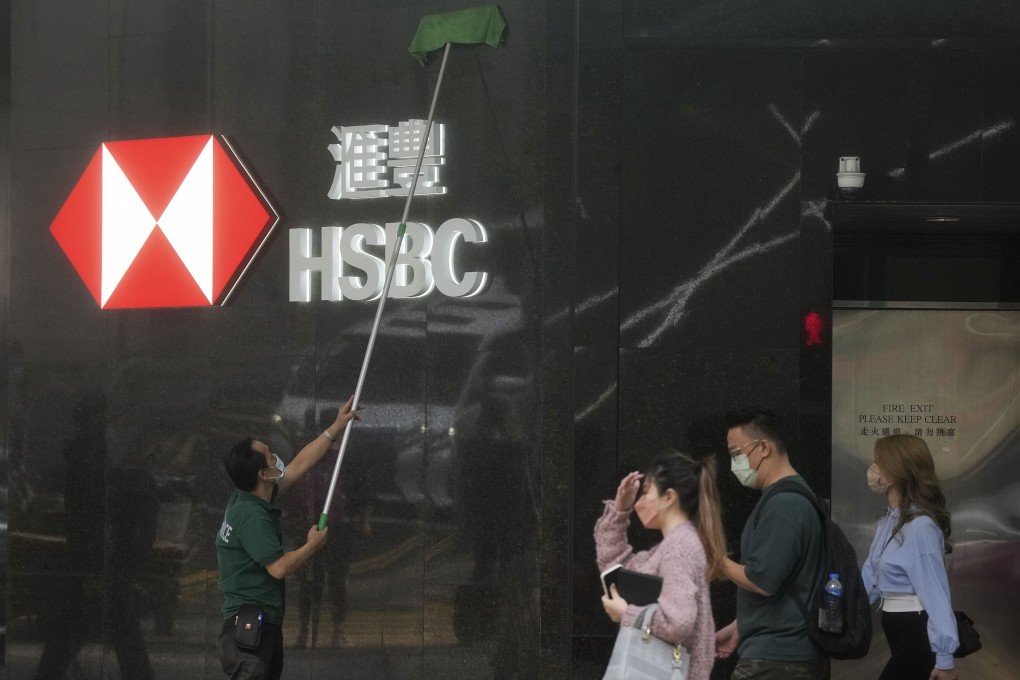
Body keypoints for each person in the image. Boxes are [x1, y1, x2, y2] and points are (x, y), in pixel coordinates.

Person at [215, 395, 358, 680]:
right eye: (270, 455)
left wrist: (335, 428)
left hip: (255, 627)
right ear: (264, 473)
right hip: (249, 635)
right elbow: (279, 567)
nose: (277, 455)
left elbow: (299, 464)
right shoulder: (253, 517)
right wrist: (312, 545)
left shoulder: (248, 496)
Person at [714, 407, 827, 680]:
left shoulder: (784, 505)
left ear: (763, 447)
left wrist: (717, 560)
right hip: (778, 654)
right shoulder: (787, 498)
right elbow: (787, 581)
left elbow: (763, 580)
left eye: (736, 453)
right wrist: (742, 626)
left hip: (777, 661)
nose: (733, 464)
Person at [595, 450, 728, 680]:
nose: (641, 501)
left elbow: (678, 622)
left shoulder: (680, 548)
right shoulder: (675, 544)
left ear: (669, 497)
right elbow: (616, 567)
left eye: (646, 491)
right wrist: (619, 511)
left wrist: (626, 613)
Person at [862, 435, 958, 680]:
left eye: (878, 462)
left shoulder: (920, 527)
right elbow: (872, 575)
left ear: (896, 471)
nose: (873, 469)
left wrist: (945, 659)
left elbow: (936, 594)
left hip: (916, 632)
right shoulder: (890, 521)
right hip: (899, 628)